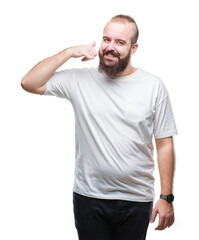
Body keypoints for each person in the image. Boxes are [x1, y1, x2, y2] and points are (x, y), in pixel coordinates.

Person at [21, 14, 178, 240]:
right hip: (89, 197)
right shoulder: (79, 80)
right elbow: (29, 83)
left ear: (133, 48)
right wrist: (68, 52)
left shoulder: (153, 86)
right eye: (106, 40)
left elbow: (164, 144)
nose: (110, 47)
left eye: (120, 42)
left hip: (136, 199)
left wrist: (166, 197)